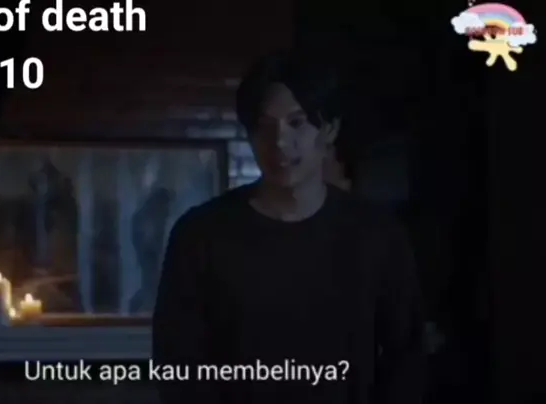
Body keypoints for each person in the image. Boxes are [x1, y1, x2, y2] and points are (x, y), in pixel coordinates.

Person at [152, 54, 425, 404]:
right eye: (264, 127)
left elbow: (406, 357)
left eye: (297, 123)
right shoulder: (200, 235)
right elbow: (178, 365)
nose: (280, 142)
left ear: (329, 129)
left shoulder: (377, 235)